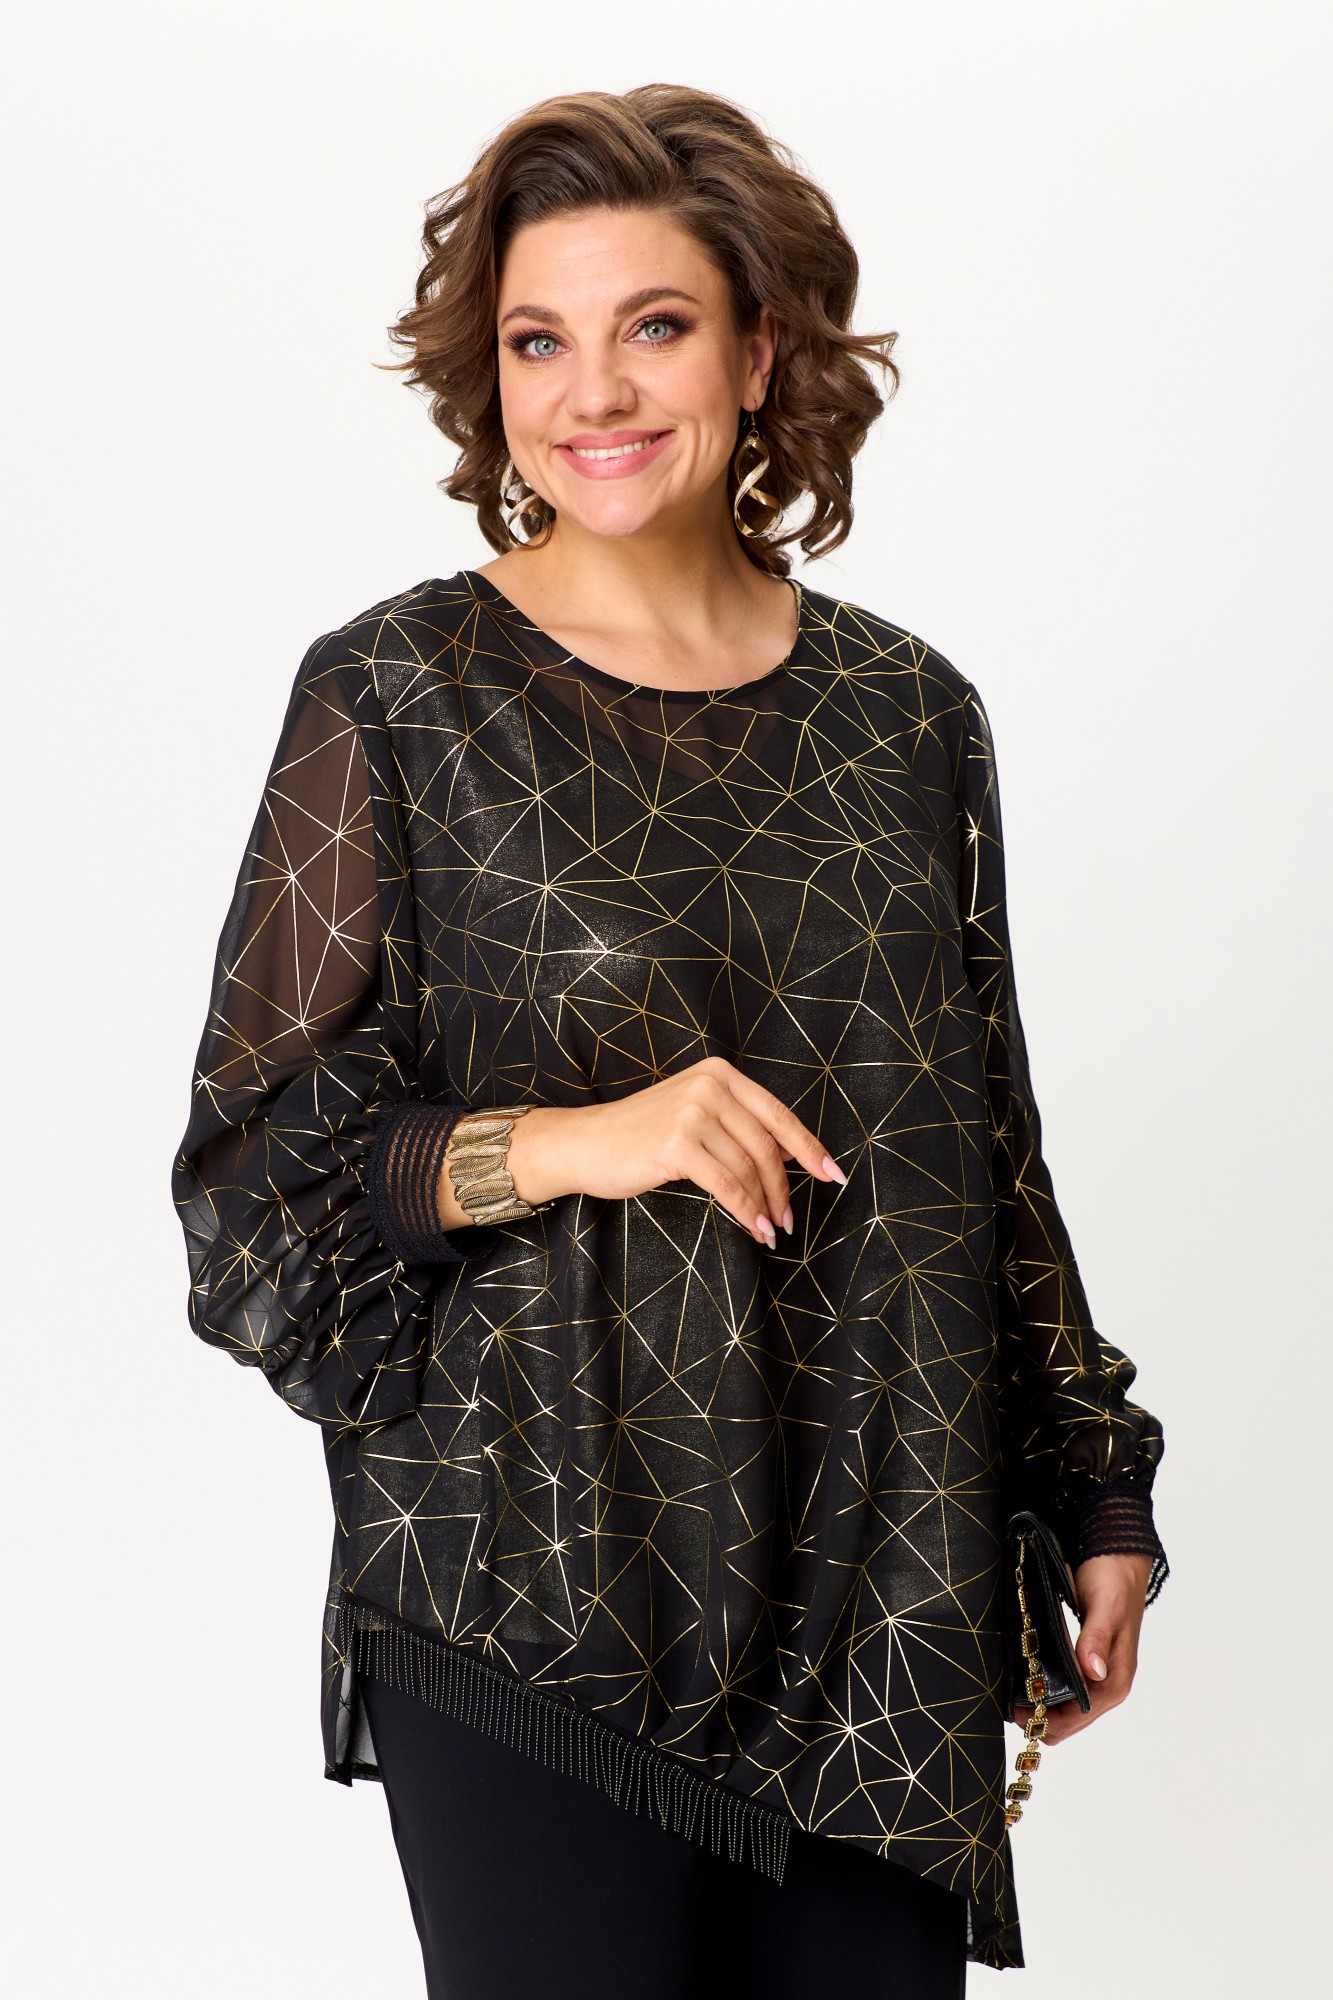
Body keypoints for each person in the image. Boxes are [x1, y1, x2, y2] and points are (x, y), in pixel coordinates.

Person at [171, 83, 1169, 1998]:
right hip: (532, 1583)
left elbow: (983, 1140)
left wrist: (1091, 1481)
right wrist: (577, 1139)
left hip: (876, 1586)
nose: (595, 393)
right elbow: (253, 1176)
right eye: (537, 341)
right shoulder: (399, 692)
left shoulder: (906, 713)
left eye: (653, 325)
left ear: (758, 351)